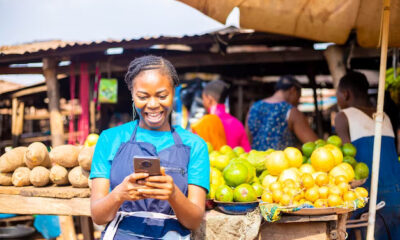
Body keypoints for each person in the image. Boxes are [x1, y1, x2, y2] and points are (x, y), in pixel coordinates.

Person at [90, 56, 209, 240]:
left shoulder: (195, 145)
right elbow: (98, 216)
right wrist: (119, 195)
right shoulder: (109, 139)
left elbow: (194, 221)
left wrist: (173, 194)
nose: (153, 104)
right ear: (132, 95)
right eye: (143, 97)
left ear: (174, 92)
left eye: (162, 96)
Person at [335, 71, 400, 240]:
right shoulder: (384, 116)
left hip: (368, 197)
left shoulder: (343, 116)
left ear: (345, 94)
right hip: (396, 192)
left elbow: (345, 160)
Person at [246, 75, 318, 150]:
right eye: (298, 96)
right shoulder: (292, 111)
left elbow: (248, 140)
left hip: (256, 160)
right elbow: (315, 145)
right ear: (293, 90)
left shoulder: (253, 108)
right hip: (281, 161)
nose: (298, 101)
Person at [201, 80, 251, 152]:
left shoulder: (202, 124)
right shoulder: (237, 124)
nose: (203, 102)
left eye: (203, 98)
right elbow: (247, 153)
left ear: (209, 99)